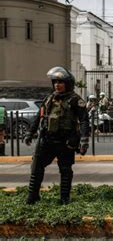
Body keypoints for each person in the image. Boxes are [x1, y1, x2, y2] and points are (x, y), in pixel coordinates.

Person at [24, 67, 89, 205]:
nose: (57, 85)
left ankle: (65, 198)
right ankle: (33, 195)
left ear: (68, 83)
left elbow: (84, 120)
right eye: (55, 82)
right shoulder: (49, 99)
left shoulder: (75, 100)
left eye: (60, 82)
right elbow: (39, 116)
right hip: (47, 139)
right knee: (36, 167)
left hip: (66, 141)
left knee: (65, 170)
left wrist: (84, 140)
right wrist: (30, 132)